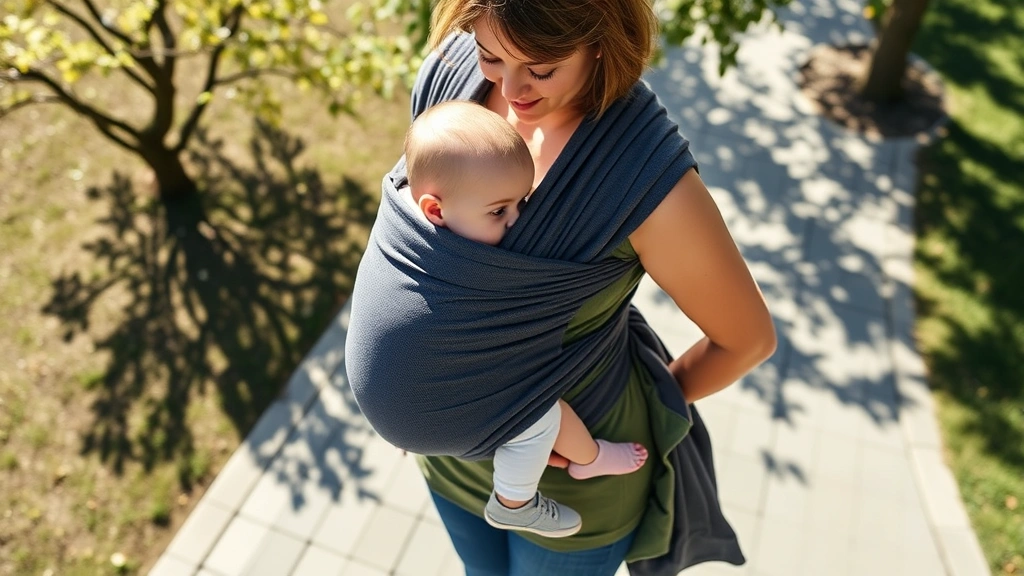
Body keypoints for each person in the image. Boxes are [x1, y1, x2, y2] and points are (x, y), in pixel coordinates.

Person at [345, 0, 777, 575]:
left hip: (572, 480)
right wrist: (422, 393)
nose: (510, 86)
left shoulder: (647, 182)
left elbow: (746, 340)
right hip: (451, 460)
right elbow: (425, 234)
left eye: (542, 68)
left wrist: (647, 404)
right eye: (491, 54)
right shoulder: (455, 76)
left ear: (600, 39)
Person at [401, 100, 650, 537]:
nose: (516, 222)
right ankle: (522, 497)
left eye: (522, 203)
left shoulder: (423, 234)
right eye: (499, 211)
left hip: (414, 402)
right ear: (435, 210)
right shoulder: (464, 269)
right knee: (540, 414)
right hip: (433, 405)